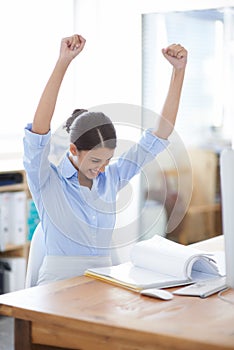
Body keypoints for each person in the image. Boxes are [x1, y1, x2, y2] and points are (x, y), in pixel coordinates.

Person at [23, 34, 187, 285]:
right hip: (58, 284)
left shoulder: (111, 177)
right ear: (73, 150)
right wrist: (63, 61)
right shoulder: (46, 180)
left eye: (108, 159)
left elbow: (159, 134)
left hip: (104, 281)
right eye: (95, 161)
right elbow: (38, 132)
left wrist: (178, 72)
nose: (101, 168)